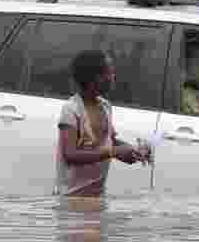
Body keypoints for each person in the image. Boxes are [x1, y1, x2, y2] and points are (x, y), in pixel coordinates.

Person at [56, 49, 148, 197]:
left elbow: (109, 142)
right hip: (72, 197)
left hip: (97, 197)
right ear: (95, 78)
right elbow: (70, 155)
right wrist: (113, 152)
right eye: (109, 73)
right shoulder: (71, 109)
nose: (113, 78)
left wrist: (133, 150)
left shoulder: (106, 106)